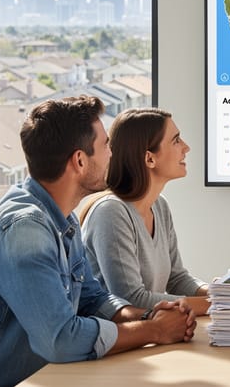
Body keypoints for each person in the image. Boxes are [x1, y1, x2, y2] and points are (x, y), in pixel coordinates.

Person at [0, 96, 196, 387]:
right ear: (80, 161)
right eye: (106, 145)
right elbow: (61, 340)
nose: (112, 154)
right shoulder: (24, 230)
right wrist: (153, 330)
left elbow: (92, 299)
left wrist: (148, 314)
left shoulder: (63, 220)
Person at [81, 107, 210, 315]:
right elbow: (131, 299)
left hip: (151, 336)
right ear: (149, 159)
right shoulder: (111, 213)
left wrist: (221, 295)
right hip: (122, 342)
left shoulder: (159, 206)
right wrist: (215, 306)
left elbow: (176, 279)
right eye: (176, 140)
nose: (186, 148)